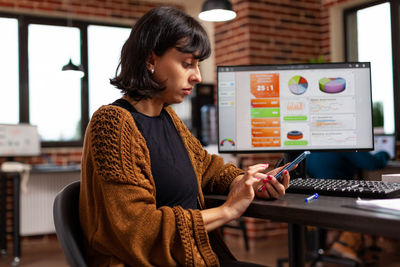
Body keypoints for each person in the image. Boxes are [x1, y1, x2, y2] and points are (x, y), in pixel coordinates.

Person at [79, 6, 291, 267]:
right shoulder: (112, 123)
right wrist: (228, 210)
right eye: (187, 63)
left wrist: (249, 181)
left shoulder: (167, 117)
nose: (198, 76)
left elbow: (207, 168)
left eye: (198, 64)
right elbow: (137, 228)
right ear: (150, 60)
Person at [306, 151, 390, 263]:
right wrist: (385, 153)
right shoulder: (347, 144)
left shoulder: (313, 148)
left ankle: (334, 241)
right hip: (336, 199)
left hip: (314, 199)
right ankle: (343, 244)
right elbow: (372, 163)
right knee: (368, 204)